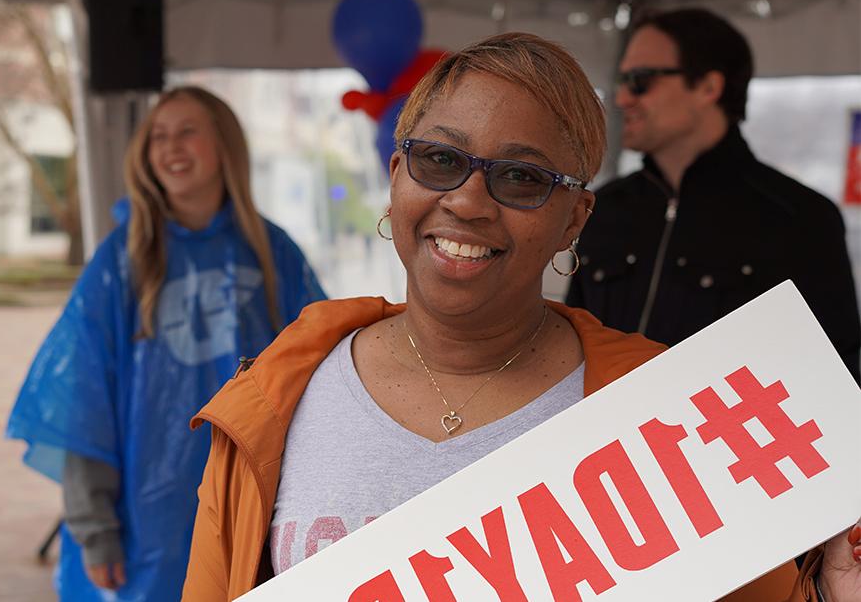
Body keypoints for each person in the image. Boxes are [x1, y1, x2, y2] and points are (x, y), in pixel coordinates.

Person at [178, 34, 859, 602]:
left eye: (521, 177)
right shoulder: (277, 396)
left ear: (574, 219)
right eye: (439, 159)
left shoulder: (671, 415)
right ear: (395, 175)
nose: (468, 201)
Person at [6, 86, 326, 601]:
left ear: (224, 144)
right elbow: (83, 399)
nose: (170, 146)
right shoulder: (121, 260)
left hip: (249, 508)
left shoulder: (272, 254)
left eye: (186, 132)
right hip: (145, 517)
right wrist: (95, 529)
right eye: (157, 135)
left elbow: (318, 374)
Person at [565, 8, 861, 384]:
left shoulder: (798, 217)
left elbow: (832, 372)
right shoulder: (605, 204)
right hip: (595, 437)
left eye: (640, 80)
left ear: (708, 87)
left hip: (721, 437)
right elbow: (568, 341)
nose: (622, 97)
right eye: (622, 80)